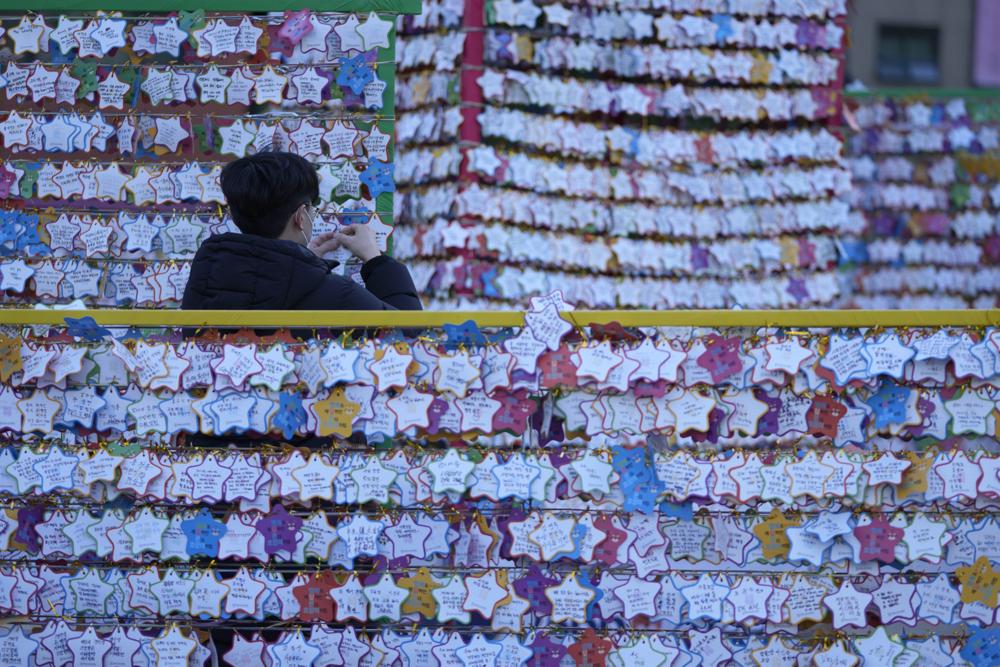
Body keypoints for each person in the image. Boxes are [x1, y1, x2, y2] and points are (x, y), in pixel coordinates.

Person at [182, 151, 422, 312]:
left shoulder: (205, 277)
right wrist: (375, 259)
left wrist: (304, 260)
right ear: (300, 216)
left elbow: (262, 286)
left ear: (235, 214)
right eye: (312, 210)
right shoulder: (335, 293)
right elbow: (407, 336)